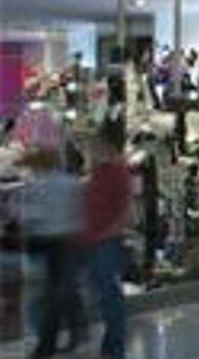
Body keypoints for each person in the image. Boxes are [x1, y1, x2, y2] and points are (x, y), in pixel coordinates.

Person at [20, 147, 85, 358]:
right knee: (62, 291)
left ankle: (47, 345)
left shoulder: (36, 186)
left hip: (47, 244)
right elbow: (80, 213)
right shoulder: (71, 183)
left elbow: (29, 217)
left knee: (54, 295)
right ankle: (76, 331)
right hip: (68, 241)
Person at [77, 134, 132, 358]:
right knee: (102, 293)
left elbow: (126, 209)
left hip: (105, 241)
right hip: (92, 240)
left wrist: (109, 232)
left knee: (110, 295)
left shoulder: (118, 172)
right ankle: (110, 344)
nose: (90, 152)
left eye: (93, 147)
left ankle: (115, 346)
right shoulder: (99, 172)